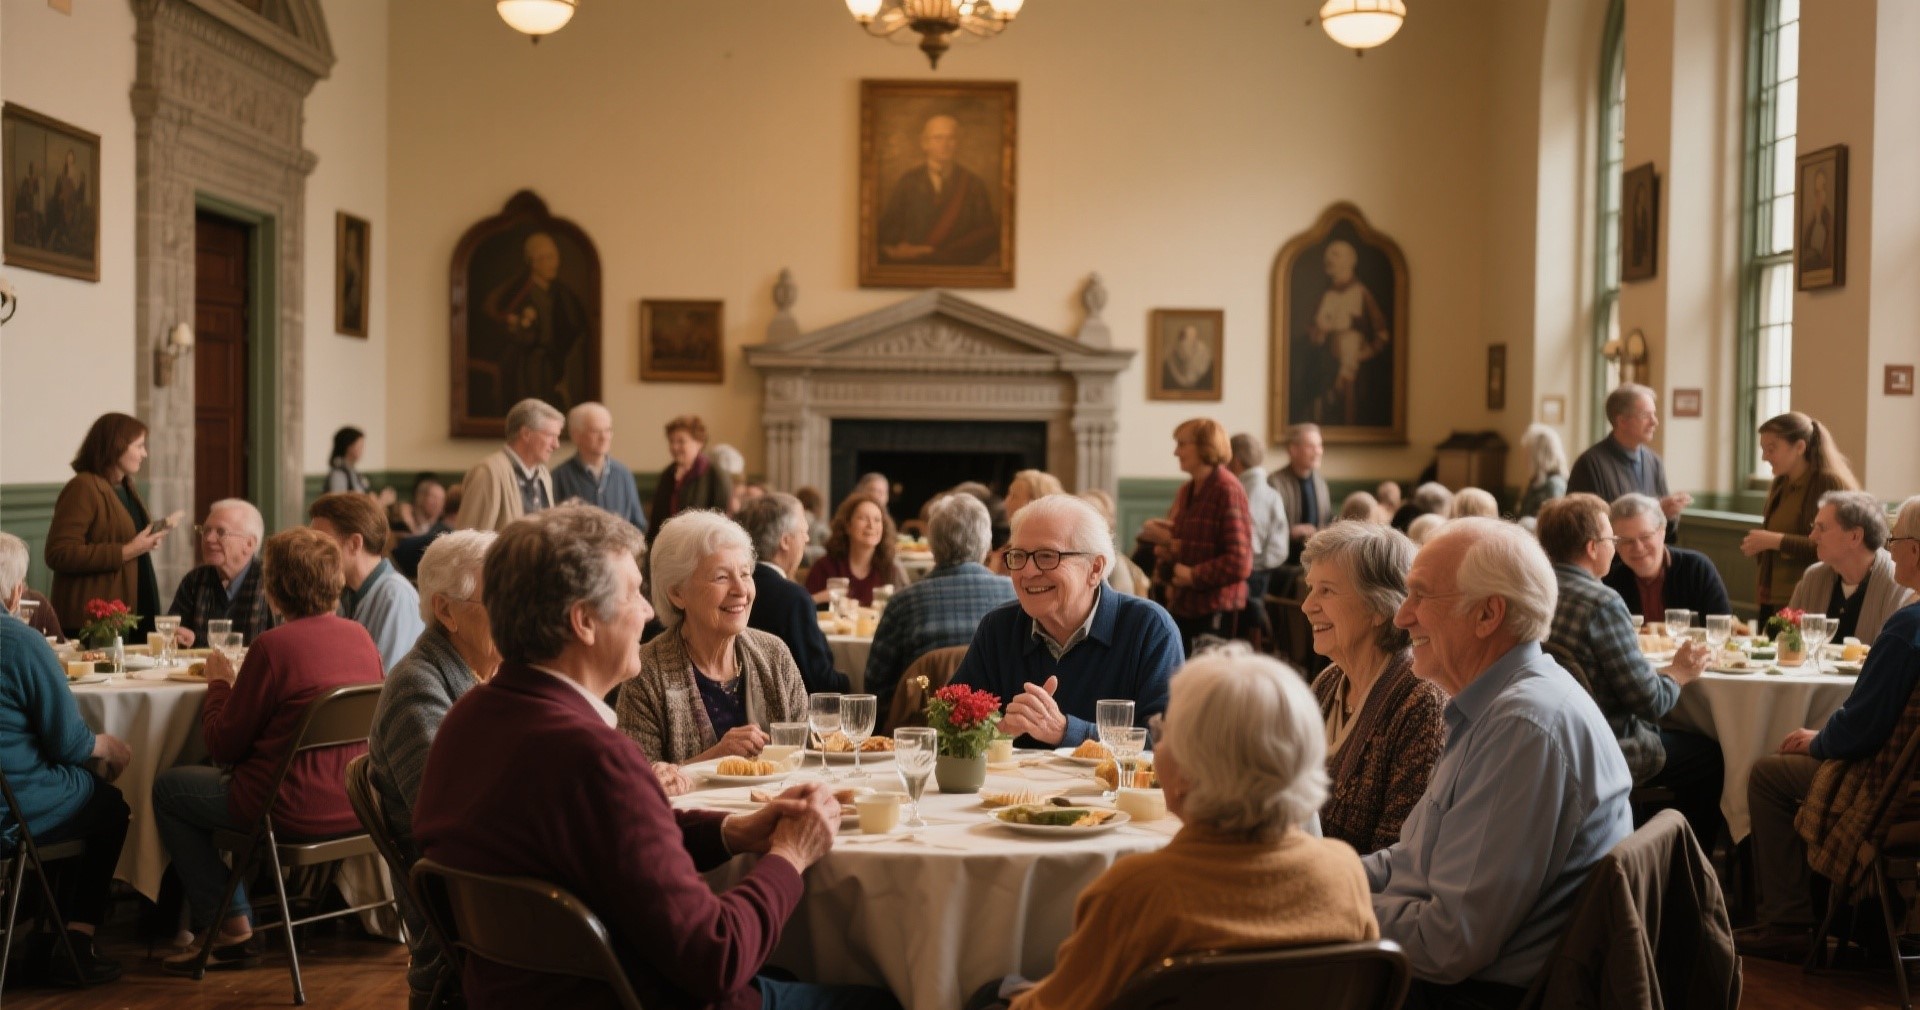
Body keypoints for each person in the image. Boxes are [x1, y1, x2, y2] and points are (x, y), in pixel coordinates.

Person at [411, 507, 897, 1010]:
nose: (647, 611)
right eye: (633, 594)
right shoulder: (593, 756)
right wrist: (790, 855)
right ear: (583, 622)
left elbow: (615, 839)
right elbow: (718, 957)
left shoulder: (464, 725)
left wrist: (733, 831)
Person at [988, 646, 1378, 1010]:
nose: (1156, 748)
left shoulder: (1137, 892)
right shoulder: (1344, 875)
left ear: (1189, 774)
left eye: (1166, 731)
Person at [1368, 517, 1633, 1007]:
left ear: (1488, 614)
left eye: (1421, 596)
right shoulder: (1492, 703)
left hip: (1478, 994)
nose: (1402, 617)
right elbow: (1410, 861)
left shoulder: (1522, 726)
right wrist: (1317, 877)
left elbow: (1449, 942)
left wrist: (1325, 907)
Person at [153, 528, 386, 973]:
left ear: (275, 590)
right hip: (356, 803)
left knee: (169, 789)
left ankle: (231, 924)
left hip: (286, 808)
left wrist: (219, 682)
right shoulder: (361, 637)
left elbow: (222, 746)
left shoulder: (273, 648)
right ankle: (231, 919)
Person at [1738, 495, 1920, 961]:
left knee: (1767, 774)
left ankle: (1788, 921)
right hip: (1913, 784)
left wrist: (1820, 738)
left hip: (1893, 794)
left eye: (1897, 541)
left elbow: (1862, 727)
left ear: (1916, 551)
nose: (1891, 550)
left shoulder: (1907, 628)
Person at [1536, 494, 1721, 851]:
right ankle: (1679, 869)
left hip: (1550, 739)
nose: (1616, 548)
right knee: (1709, 756)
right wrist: (1679, 673)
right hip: (1605, 747)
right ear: (1593, 548)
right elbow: (1650, 702)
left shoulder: (1535, 591)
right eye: (1613, 540)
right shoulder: (1601, 602)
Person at [367, 530, 501, 1009]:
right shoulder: (417, 688)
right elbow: (454, 823)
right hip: (465, 920)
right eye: (500, 598)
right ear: (447, 611)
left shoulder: (495, 674)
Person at [0, 534, 131, 984]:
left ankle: (35, 930)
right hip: (10, 811)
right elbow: (67, 743)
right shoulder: (19, 641)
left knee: (76, 788)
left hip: (11, 798)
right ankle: (74, 942)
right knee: (107, 807)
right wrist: (110, 747)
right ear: (17, 592)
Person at [952, 495, 1183, 748]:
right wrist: (995, 732)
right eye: (1018, 555)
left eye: (1048, 556)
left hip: (1109, 788)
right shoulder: (998, 629)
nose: (1027, 572)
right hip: (1014, 788)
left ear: (1095, 569)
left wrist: (1066, 731)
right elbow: (947, 727)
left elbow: (1168, 742)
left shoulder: (1149, 629)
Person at [618, 511, 808, 766]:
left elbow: (807, 757)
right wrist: (716, 758)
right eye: (721, 577)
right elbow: (638, 784)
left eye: (744, 574)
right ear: (677, 593)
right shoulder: (646, 672)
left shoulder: (774, 654)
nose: (741, 590)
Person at [1300, 522, 1446, 855]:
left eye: (1327, 591)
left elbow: (1397, 853)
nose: (1307, 605)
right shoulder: (1328, 683)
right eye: (1311, 588)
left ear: (1379, 608)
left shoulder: (1421, 701)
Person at [865, 494, 1015, 719]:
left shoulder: (903, 603)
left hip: (919, 734)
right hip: (1000, 734)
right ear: (986, 544)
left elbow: (876, 687)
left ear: (931, 545)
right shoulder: (1014, 596)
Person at [46, 413, 169, 639]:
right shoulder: (82, 487)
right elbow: (59, 554)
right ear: (116, 446)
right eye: (139, 446)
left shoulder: (126, 486)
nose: (145, 453)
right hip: (95, 622)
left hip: (129, 607)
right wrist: (127, 551)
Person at [1139, 419, 1252, 648]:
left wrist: (1193, 575)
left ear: (1205, 446)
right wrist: (1166, 545)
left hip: (1214, 611)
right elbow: (1192, 545)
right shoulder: (1188, 489)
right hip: (1185, 606)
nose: (1175, 452)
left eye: (1182, 444)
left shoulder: (1227, 489)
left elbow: (1240, 562)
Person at [1740, 412, 1860, 620]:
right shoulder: (1781, 483)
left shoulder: (1828, 483)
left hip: (1809, 598)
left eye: (1771, 449)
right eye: (1763, 449)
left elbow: (1832, 547)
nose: (1764, 457)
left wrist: (1775, 541)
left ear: (1799, 447)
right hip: (1773, 596)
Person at [738, 493, 844, 695]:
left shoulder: (732, 589)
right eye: (803, 532)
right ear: (785, 542)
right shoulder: (793, 599)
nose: (807, 538)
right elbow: (821, 683)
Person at [311, 492, 424, 671]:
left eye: (322, 544)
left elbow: (380, 685)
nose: (313, 554)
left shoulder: (395, 595)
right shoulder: (343, 592)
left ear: (355, 543)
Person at [480, 231, 591, 412]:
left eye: (555, 257)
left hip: (553, 366)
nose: (554, 264)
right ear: (533, 262)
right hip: (526, 369)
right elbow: (499, 324)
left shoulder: (564, 295)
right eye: (547, 258)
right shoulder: (517, 293)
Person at [1785, 490, 1914, 643]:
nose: (1812, 536)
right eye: (1814, 527)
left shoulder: (1898, 585)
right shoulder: (1813, 578)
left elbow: (1892, 654)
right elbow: (1788, 640)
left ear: (1855, 537)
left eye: (1822, 528)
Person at [1566, 384, 1691, 542]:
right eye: (1646, 415)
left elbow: (1665, 532)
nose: (1654, 422)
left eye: (1654, 414)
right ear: (1622, 421)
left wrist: (1670, 514)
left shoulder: (1654, 462)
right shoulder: (1590, 464)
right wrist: (1656, 509)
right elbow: (1582, 526)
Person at [877, 113, 1000, 266]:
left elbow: (987, 235)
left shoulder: (974, 185)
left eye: (951, 138)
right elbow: (887, 232)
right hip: (911, 270)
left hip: (958, 270)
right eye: (938, 138)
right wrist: (900, 250)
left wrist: (942, 255)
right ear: (924, 143)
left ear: (958, 143)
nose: (945, 144)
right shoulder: (907, 182)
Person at [1601, 493, 1732, 621]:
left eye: (1645, 537)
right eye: (1626, 541)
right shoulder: (1609, 581)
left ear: (1662, 532)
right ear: (1615, 544)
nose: (1638, 547)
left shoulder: (1697, 569)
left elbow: (1722, 627)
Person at [166, 499, 276, 647]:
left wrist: (198, 643)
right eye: (206, 531)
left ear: (249, 544)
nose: (209, 539)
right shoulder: (195, 580)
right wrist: (183, 640)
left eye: (221, 532)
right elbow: (172, 637)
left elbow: (281, 645)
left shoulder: (273, 582)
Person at [1306, 240, 1392, 426]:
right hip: (1327, 370)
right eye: (1328, 255)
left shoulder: (1361, 294)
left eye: (1335, 255)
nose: (1328, 259)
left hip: (1354, 375)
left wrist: (1363, 354)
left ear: (1349, 261)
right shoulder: (1326, 296)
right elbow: (1313, 336)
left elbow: (1382, 334)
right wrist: (1321, 332)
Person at [457, 398, 561, 533]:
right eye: (551, 436)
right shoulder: (487, 472)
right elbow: (467, 540)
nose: (556, 445)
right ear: (526, 434)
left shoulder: (543, 474)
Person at [1227, 434, 1290, 643]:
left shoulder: (1242, 493)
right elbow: (1278, 548)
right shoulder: (1271, 493)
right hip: (1263, 576)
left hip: (1246, 580)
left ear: (1235, 461)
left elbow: (1248, 546)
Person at [550, 401, 648, 535]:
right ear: (576, 435)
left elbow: (639, 524)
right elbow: (554, 528)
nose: (604, 437)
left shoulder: (623, 474)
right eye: (595, 431)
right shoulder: (558, 477)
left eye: (608, 430)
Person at [806, 494, 909, 607]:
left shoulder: (891, 570)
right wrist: (821, 597)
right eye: (863, 518)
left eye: (877, 520)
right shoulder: (825, 567)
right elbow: (801, 608)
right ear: (848, 526)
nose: (871, 525)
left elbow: (906, 611)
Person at [649, 415, 733, 534]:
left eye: (681, 441)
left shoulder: (716, 475)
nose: (674, 447)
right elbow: (655, 521)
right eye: (671, 441)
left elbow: (722, 522)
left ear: (699, 442)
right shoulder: (667, 475)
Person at [1270, 423, 1331, 559]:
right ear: (1293, 450)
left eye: (1319, 446)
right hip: (1286, 558)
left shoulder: (1320, 483)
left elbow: (1327, 519)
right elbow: (1266, 529)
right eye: (1311, 447)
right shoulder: (1275, 482)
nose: (1318, 451)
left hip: (1317, 557)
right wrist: (1290, 531)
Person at [394, 484, 460, 582]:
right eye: (433, 497)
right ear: (420, 498)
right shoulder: (401, 523)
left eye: (442, 499)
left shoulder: (441, 529)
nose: (438, 503)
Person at [1515, 424, 1569, 519]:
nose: (1524, 459)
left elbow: (1550, 521)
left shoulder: (1555, 485)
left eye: (1527, 453)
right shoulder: (1536, 481)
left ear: (1538, 455)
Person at [324, 426, 379, 498]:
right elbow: (339, 504)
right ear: (349, 447)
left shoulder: (352, 471)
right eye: (360, 447)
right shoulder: (338, 474)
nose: (362, 451)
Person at [1160, 323, 1215, 391]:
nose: (1186, 346)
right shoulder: (1169, 359)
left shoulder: (1206, 359)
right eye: (1183, 340)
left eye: (1192, 341)